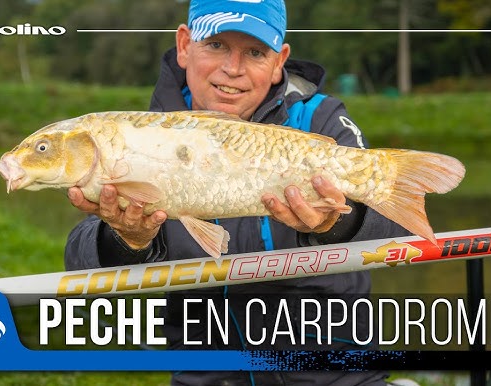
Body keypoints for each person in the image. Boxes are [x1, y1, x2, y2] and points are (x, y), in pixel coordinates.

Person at [65, 0, 412, 384]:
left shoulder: (321, 122)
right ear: (184, 45)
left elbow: (395, 236)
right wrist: (127, 238)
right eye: (216, 45)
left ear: (279, 60)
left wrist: (336, 227)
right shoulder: (142, 138)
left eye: (254, 52)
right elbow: (79, 266)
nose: (233, 69)